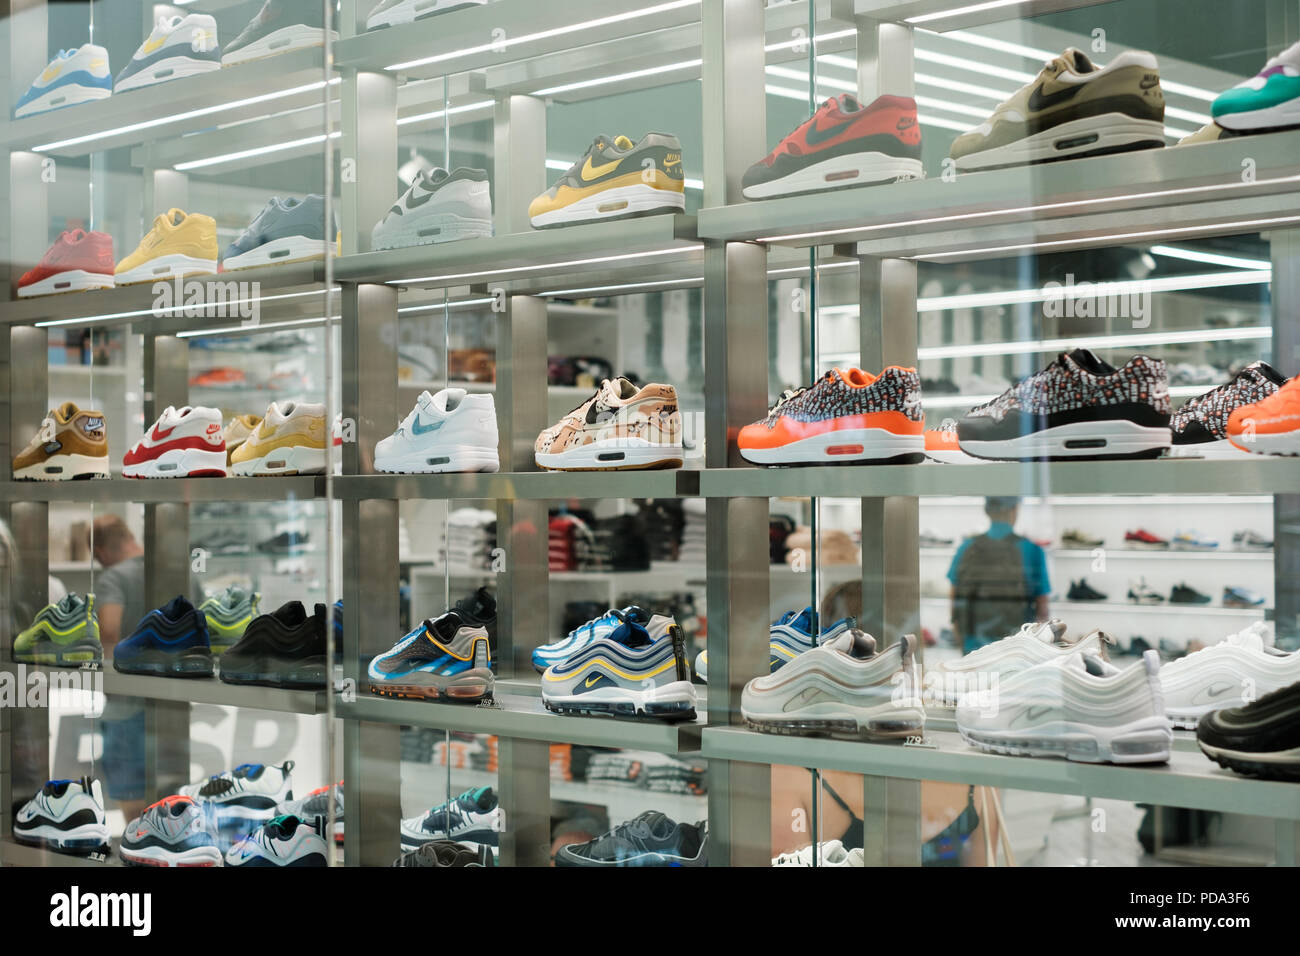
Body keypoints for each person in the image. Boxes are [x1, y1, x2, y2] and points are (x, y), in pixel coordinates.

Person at [91, 514, 202, 823]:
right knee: (172, 799)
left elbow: (109, 632)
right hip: (174, 707)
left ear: (100, 551)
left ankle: (144, 850)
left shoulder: (113, 578)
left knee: (134, 804)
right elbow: (202, 627)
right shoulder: (184, 575)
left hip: (126, 706)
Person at [948, 496, 1050, 654]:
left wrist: (962, 642)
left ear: (986, 511)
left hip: (974, 647)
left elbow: (955, 602)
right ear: (1014, 510)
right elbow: (1042, 610)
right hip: (1017, 649)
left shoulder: (966, 547)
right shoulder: (1032, 550)